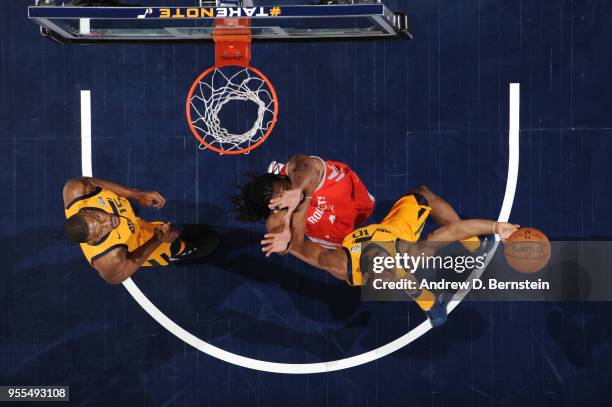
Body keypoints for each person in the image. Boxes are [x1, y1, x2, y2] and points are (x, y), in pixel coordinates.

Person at [261, 185, 518, 326]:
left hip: (388, 243)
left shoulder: (338, 262)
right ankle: (474, 250)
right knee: (424, 195)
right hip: (396, 232)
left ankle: (432, 304)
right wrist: (495, 227)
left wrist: (285, 230)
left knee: (412, 280)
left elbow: (298, 246)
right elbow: (452, 230)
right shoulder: (410, 253)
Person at [63, 177, 218, 284]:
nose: (108, 223)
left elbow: (91, 181)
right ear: (93, 240)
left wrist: (136, 194)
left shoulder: (76, 190)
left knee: (182, 229)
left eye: (97, 218)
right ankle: (180, 253)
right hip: (146, 244)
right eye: (101, 231)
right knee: (211, 240)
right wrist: (157, 240)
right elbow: (120, 275)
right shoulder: (107, 260)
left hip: (141, 226)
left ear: (83, 212)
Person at [231, 155, 375, 250]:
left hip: (347, 195)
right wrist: (286, 245)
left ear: (282, 177)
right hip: (333, 232)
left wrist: (296, 189)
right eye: (280, 199)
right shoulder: (276, 215)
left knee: (369, 208)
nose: (286, 196)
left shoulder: (295, 167)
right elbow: (283, 243)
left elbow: (307, 166)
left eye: (285, 189)